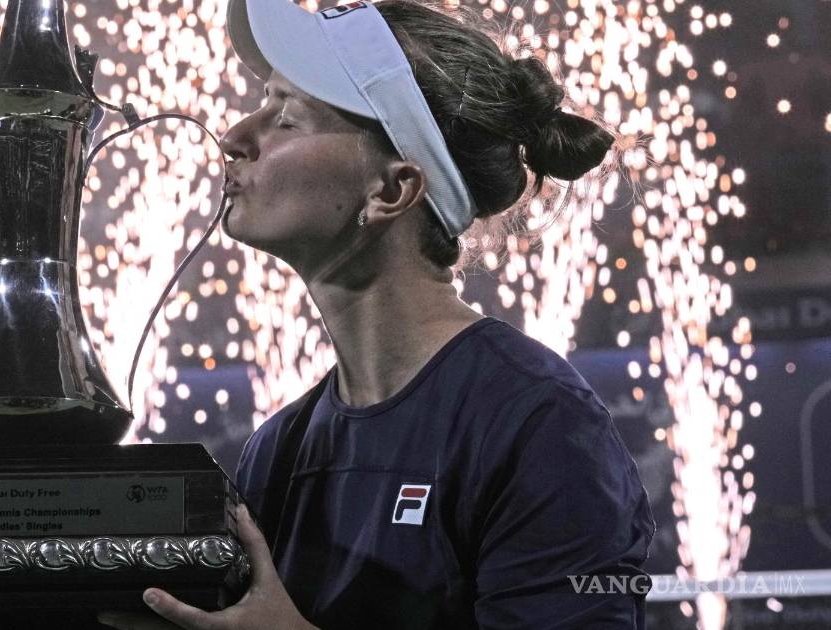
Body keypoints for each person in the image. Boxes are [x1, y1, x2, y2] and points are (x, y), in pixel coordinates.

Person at [98, 0, 654, 628]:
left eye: (287, 118)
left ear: (391, 190)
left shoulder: (538, 424)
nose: (234, 137)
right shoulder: (277, 449)